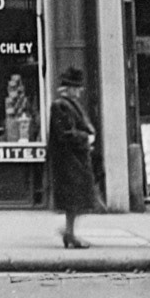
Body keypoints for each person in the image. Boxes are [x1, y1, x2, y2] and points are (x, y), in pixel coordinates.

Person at [49, 67, 98, 249]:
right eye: (76, 88)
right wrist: (86, 137)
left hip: (76, 160)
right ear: (68, 89)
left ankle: (69, 232)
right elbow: (66, 134)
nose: (79, 91)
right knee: (75, 199)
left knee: (78, 200)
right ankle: (69, 233)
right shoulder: (60, 105)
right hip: (69, 161)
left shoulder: (69, 104)